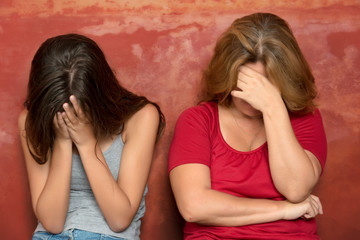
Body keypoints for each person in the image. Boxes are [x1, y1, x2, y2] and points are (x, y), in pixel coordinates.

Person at [168, 12, 327, 239]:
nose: (252, 97)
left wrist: (273, 107)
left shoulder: (305, 118)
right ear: (227, 73)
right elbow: (194, 207)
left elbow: (296, 189)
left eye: (265, 85)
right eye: (246, 83)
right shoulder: (198, 120)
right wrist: (283, 210)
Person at [18, 33, 165, 240]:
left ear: (100, 95)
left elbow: (119, 219)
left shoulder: (141, 117)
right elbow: (52, 222)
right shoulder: (31, 120)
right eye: (61, 114)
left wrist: (87, 144)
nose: (71, 118)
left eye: (80, 110)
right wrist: (62, 142)